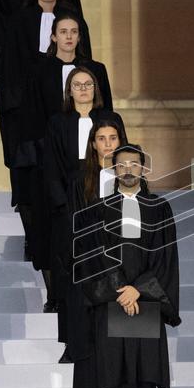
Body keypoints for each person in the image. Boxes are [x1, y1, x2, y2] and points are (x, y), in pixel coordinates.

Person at [77, 145, 181, 388]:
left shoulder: (159, 208)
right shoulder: (98, 209)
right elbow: (93, 255)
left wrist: (140, 289)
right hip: (111, 297)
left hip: (147, 296)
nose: (128, 169)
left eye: (134, 164)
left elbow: (166, 256)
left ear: (143, 169)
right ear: (113, 170)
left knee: (147, 367)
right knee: (114, 366)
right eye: (121, 164)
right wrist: (121, 289)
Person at [42, 65, 123, 364]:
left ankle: (108, 338)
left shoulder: (109, 120)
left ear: (96, 88)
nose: (84, 89)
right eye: (77, 85)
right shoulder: (58, 122)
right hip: (70, 202)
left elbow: (123, 156)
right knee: (71, 277)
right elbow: (50, 166)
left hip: (106, 193)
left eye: (88, 84)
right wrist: (63, 205)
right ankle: (71, 342)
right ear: (69, 90)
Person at [0, 0, 79, 262]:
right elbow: (12, 70)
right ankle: (35, 242)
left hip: (66, 113)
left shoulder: (71, 19)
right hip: (29, 113)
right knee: (32, 186)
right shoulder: (19, 22)